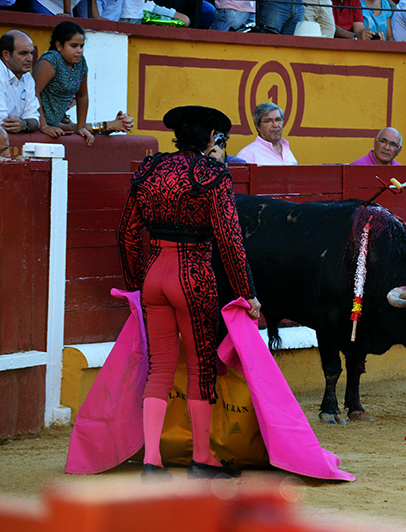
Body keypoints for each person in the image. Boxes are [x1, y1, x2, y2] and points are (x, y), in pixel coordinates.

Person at [118, 105, 261, 482]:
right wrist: (246, 293)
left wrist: (136, 284)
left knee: (160, 367)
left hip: (154, 275)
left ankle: (152, 461)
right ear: (212, 138)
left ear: (177, 136)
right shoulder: (211, 175)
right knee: (200, 367)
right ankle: (201, 459)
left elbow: (128, 233)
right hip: (193, 273)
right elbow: (230, 240)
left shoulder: (149, 169)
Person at [32, 22, 134, 147]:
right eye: (74, 46)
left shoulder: (81, 63)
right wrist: (44, 126)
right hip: (36, 123)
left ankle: (111, 125)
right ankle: (110, 125)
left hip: (55, 124)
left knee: (74, 128)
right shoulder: (51, 61)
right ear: (59, 46)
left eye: (82, 46)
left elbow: (82, 95)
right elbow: (33, 93)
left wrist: (81, 127)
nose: (79, 51)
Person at [0, 30, 40, 135]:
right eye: (23, 53)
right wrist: (26, 124)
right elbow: (3, 124)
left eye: (31, 53)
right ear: (6, 55)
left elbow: (35, 120)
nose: (30, 59)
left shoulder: (28, 78)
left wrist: (24, 124)